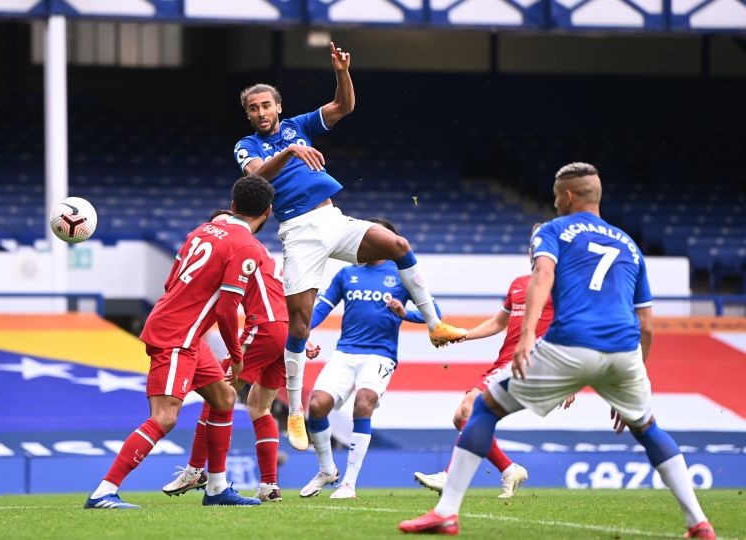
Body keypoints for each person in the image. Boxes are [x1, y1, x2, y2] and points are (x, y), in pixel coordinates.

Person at [399, 162, 716, 539]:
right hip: (624, 351)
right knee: (648, 428)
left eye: (554, 197)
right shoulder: (628, 243)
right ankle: (699, 523)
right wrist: (637, 375)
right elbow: (647, 323)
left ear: (566, 196)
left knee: (482, 408)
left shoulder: (553, 230)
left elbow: (543, 276)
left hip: (571, 344)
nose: (554, 203)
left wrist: (529, 335)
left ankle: (447, 513)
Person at [233, 42, 467, 451]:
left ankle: (435, 325)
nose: (260, 113)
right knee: (300, 326)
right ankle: (296, 413)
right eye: (253, 109)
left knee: (397, 243)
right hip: (299, 232)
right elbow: (259, 180)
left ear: (277, 106)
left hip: (332, 219)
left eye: (265, 105)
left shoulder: (299, 124)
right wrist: (290, 151)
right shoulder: (247, 146)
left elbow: (343, 106)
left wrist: (342, 71)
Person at [84, 175, 274, 509]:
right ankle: (103, 492)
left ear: (232, 205)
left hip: (183, 331)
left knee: (224, 398)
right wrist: (236, 352)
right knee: (165, 416)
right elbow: (229, 306)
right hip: (178, 336)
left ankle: (216, 488)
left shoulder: (201, 231)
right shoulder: (248, 247)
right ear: (268, 212)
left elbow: (171, 280)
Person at [298, 218, 440, 499]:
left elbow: (433, 311)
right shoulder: (347, 273)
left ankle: (348, 483)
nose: (367, 242)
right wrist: (302, 334)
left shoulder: (401, 273)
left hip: (379, 355)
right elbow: (321, 309)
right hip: (345, 352)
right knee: (316, 407)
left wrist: (404, 314)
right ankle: (327, 470)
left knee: (364, 404)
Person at [413, 227, 556, 499]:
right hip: (503, 361)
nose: (536, 250)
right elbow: (498, 323)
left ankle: (451, 477)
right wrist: (461, 335)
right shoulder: (518, 283)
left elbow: (571, 327)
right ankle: (509, 468)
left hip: (531, 361)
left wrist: (569, 379)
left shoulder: (561, 286)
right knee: (461, 417)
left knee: (471, 408)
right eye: (534, 244)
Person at [161, 210, 289, 503]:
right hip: (284, 331)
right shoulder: (263, 254)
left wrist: (237, 350)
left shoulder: (239, 250)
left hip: (263, 328)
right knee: (260, 407)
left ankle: (196, 469)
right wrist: (296, 337)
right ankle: (269, 485)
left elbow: (226, 306)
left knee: (217, 393)